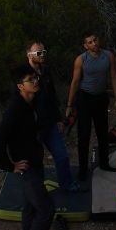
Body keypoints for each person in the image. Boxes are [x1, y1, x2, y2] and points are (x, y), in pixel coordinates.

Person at [0, 66, 55, 230]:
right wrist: (10, 166)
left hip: (35, 161)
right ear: (20, 86)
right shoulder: (15, 109)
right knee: (46, 210)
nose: (35, 81)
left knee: (30, 207)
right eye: (31, 80)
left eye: (35, 78)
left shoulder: (31, 102)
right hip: (27, 167)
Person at [26, 41, 82, 193]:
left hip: (49, 123)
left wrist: (59, 119)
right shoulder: (24, 77)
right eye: (39, 53)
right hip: (34, 127)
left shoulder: (46, 71)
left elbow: (52, 96)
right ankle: (37, 190)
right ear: (29, 55)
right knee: (36, 161)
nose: (42, 55)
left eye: (44, 52)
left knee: (61, 155)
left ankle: (67, 184)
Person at [66, 32, 116, 181]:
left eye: (95, 40)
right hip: (85, 98)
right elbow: (75, 82)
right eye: (89, 42)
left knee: (102, 132)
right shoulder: (81, 60)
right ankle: (83, 169)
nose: (94, 43)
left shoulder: (108, 56)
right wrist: (69, 105)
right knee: (84, 134)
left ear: (99, 40)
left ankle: (104, 163)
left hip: (101, 98)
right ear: (86, 46)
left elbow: (114, 76)